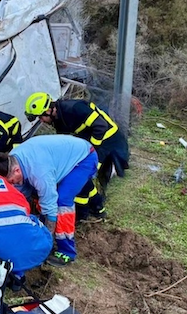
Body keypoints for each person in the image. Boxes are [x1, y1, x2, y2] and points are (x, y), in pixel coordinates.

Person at [0, 135, 98, 267]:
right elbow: (18, 194)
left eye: (13, 181)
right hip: (55, 157)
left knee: (62, 201)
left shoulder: (39, 173)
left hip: (83, 158)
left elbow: (50, 207)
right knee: (35, 195)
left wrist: (46, 237)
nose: (13, 184)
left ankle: (66, 250)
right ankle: (37, 232)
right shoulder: (11, 160)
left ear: (17, 170)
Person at [24, 92, 130, 220]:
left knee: (83, 174)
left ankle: (83, 213)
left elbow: (100, 126)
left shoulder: (74, 108)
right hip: (90, 142)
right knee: (78, 174)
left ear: (49, 110)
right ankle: (97, 206)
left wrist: (91, 151)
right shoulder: (58, 119)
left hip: (107, 141)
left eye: (41, 117)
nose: (41, 121)